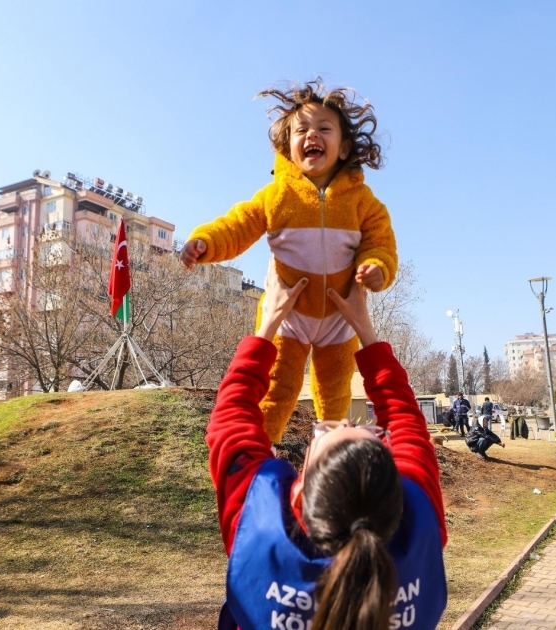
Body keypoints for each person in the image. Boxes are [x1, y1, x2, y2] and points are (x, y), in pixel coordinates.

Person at [206, 267, 446, 630]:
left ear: (302, 488)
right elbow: (410, 425)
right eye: (361, 430)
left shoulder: (257, 527)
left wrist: (268, 323)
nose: (347, 422)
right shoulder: (415, 528)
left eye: (329, 430)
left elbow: (231, 421)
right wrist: (364, 330)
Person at [182, 78, 398, 444]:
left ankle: (332, 454)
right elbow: (237, 225)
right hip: (287, 316)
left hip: (339, 317)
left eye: (323, 128)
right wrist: (206, 242)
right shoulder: (277, 195)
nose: (311, 135)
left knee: (335, 395)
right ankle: (260, 455)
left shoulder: (364, 202)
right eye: (302, 130)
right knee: (276, 390)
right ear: (288, 148)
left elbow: (382, 245)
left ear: (344, 148)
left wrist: (378, 268)